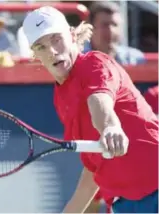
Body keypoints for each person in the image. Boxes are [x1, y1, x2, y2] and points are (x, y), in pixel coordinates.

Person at [22, 6, 158, 213]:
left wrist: (109, 127)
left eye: (56, 39)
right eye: (41, 46)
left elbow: (100, 102)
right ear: (34, 54)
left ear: (72, 35)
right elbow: (95, 164)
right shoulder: (61, 98)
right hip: (126, 205)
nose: (51, 51)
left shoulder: (95, 64)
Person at [83, 1, 145, 65]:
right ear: (91, 28)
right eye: (105, 25)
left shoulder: (134, 59)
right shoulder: (77, 58)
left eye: (115, 25)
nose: (111, 30)